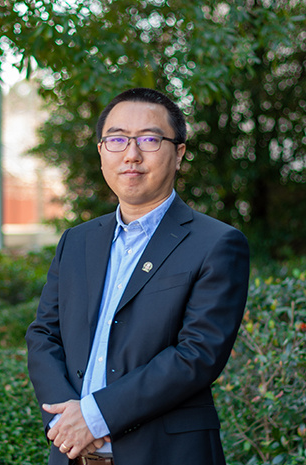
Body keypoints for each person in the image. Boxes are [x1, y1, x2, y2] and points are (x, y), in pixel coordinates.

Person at [25, 87, 250, 465]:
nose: (132, 154)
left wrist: (94, 417)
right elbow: (44, 334)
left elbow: (197, 354)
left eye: (149, 139)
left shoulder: (217, 243)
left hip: (167, 454)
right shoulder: (76, 241)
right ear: (101, 152)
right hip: (71, 454)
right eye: (117, 139)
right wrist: (65, 422)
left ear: (178, 153)